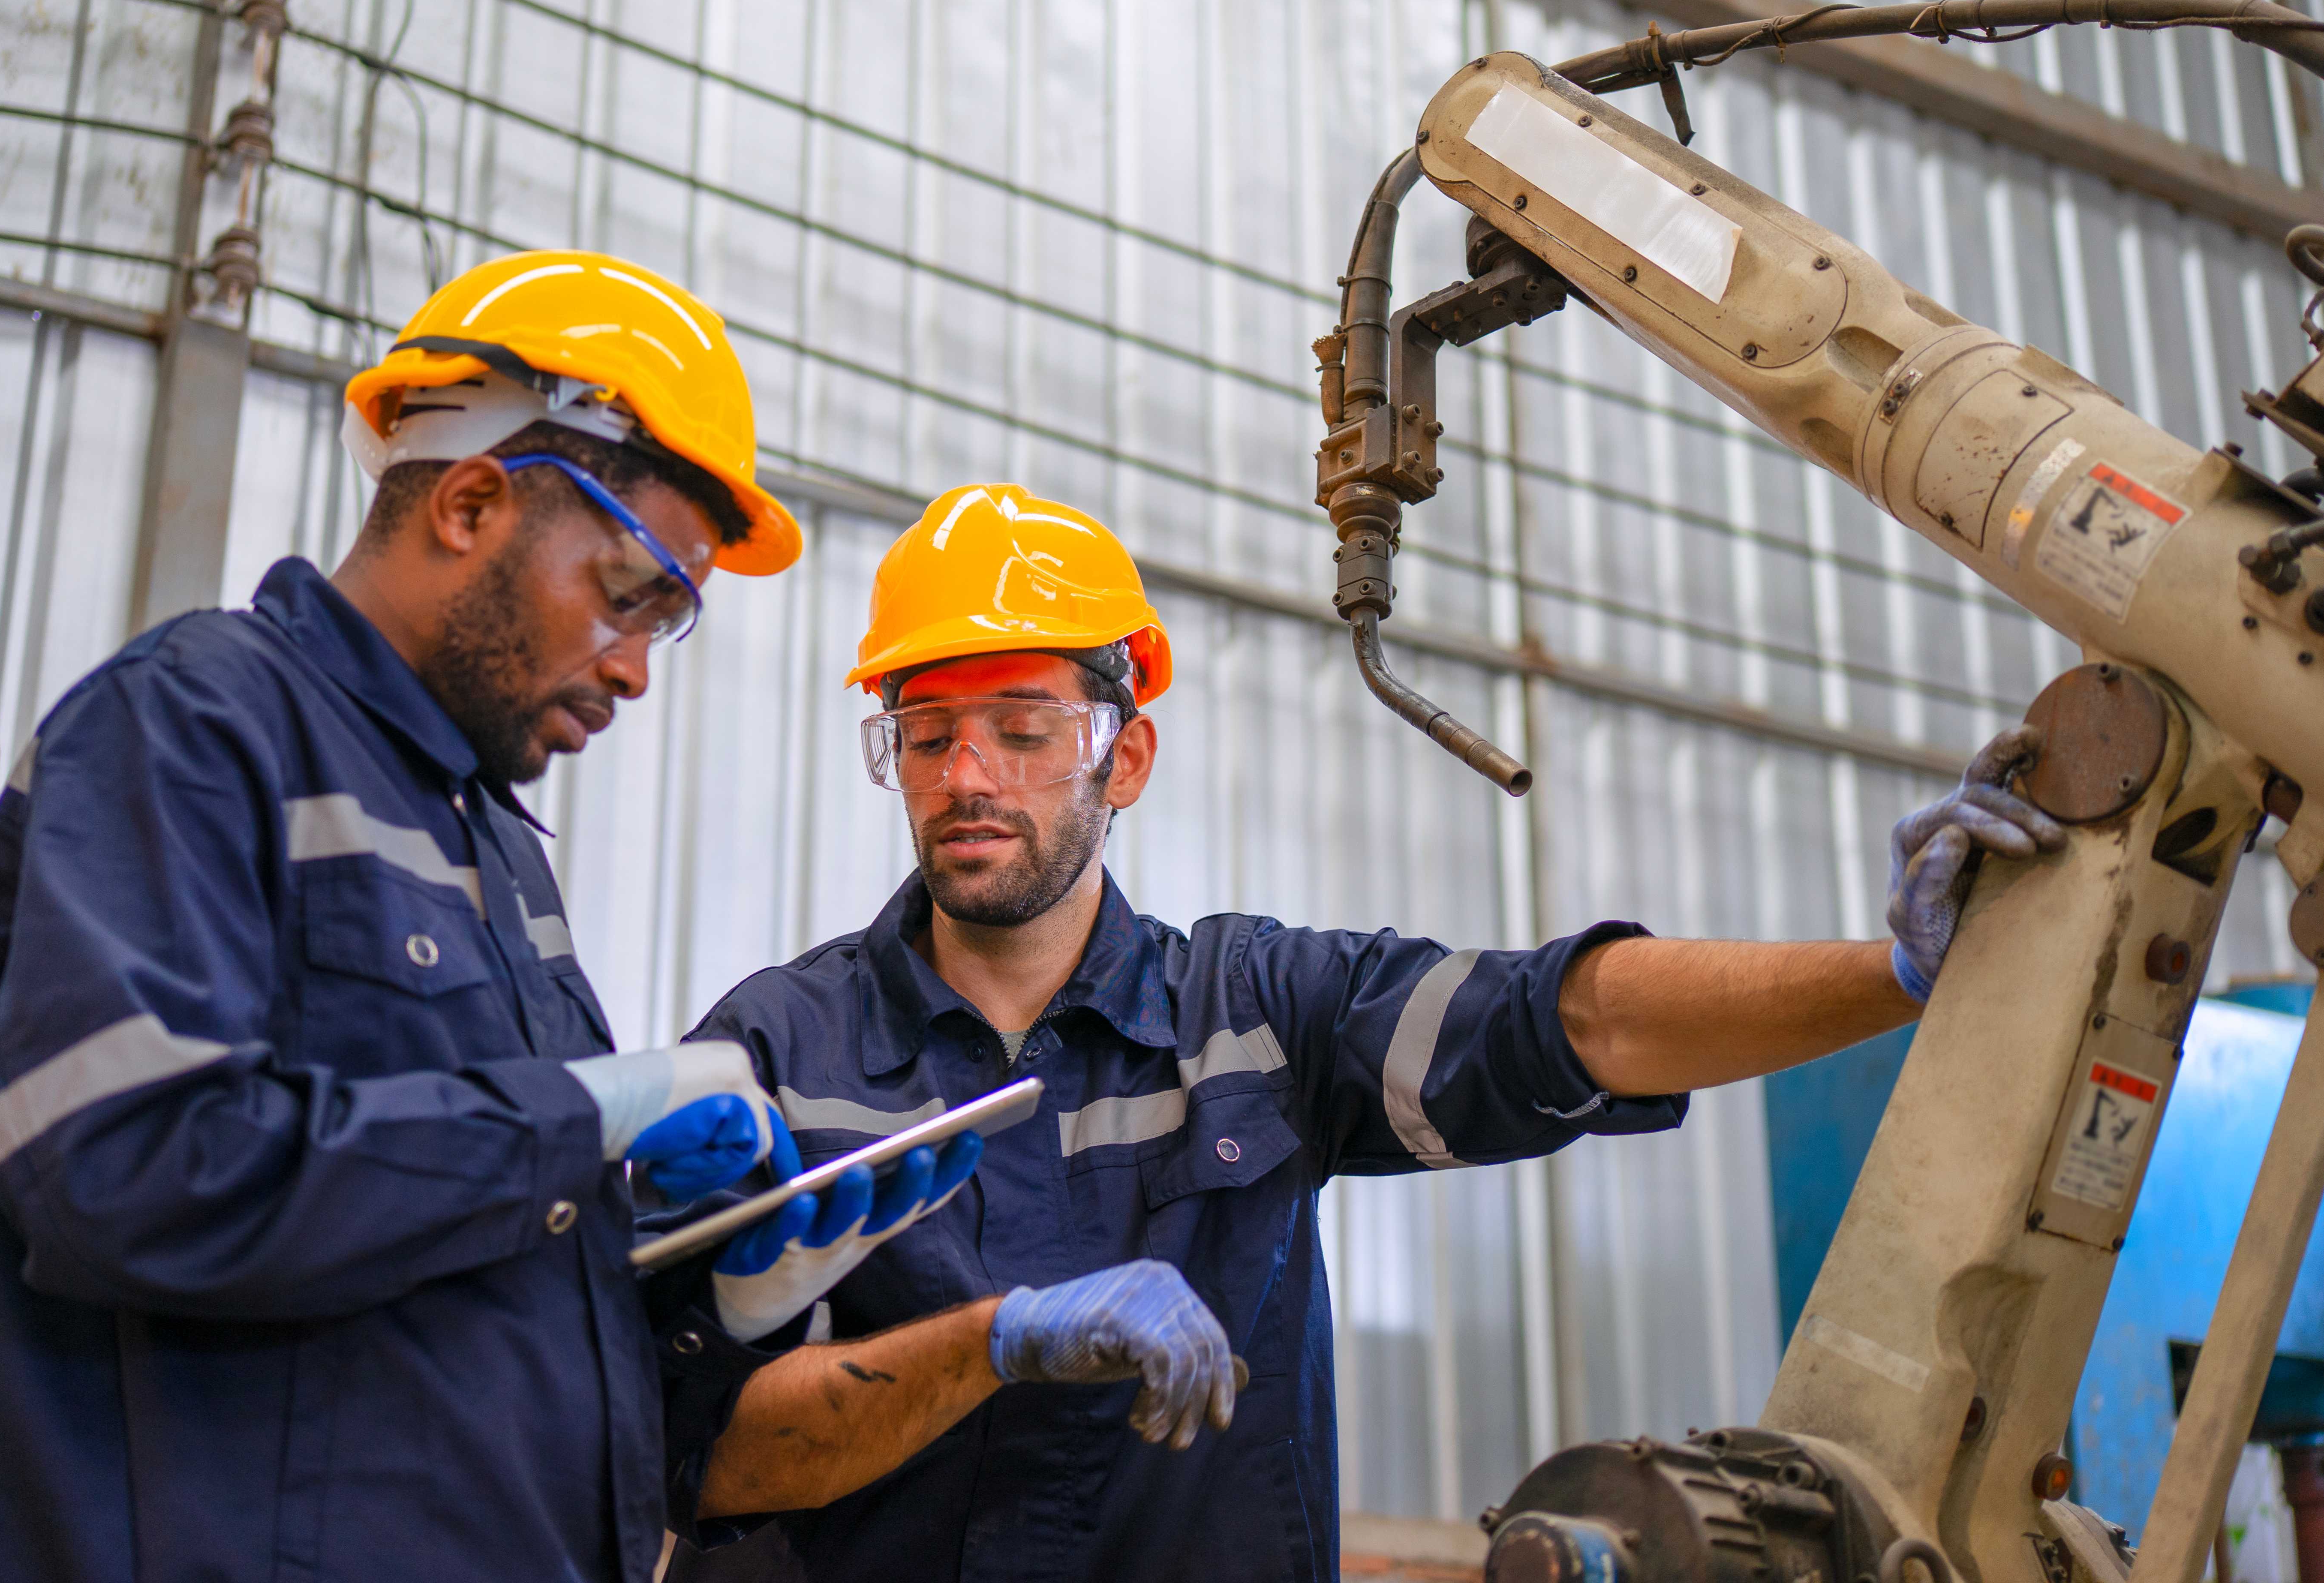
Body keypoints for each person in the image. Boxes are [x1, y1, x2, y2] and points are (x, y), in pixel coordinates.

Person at [658, 482, 2065, 1581]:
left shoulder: (1258, 1018)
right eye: (927, 731)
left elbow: (1571, 1022)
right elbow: (705, 1454)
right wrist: (996, 1342)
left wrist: (1890, 975)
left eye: (1024, 728)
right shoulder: (780, 1057)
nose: (967, 776)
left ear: (1122, 756)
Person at [0, 252, 946, 1583]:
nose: (641, 669)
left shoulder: (491, 850)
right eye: (633, 591)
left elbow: (446, 1294)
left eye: (675, 622)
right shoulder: (190, 729)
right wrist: (584, 1113)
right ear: (473, 502)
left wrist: (715, 1288)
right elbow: (127, 1170)